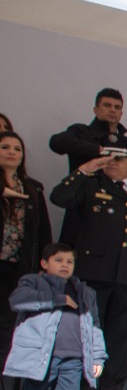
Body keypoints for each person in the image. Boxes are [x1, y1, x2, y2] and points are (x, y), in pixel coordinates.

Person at [50, 145, 127, 390]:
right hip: (94, 273)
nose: (112, 162)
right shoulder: (90, 185)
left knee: (120, 334)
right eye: (107, 157)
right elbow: (59, 197)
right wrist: (84, 170)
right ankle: (87, 388)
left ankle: (111, 388)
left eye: (119, 158)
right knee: (89, 332)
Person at [4, 243, 106, 390]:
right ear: (44, 263)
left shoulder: (85, 292)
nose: (64, 265)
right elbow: (18, 300)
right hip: (43, 356)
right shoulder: (33, 282)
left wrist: (97, 357)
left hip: (74, 359)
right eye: (58, 260)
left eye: (69, 262)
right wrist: (59, 299)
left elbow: (94, 326)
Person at [0, 130, 54, 363]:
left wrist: (43, 263)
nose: (12, 152)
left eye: (17, 149)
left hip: (19, 267)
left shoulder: (32, 188)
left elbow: (43, 230)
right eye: (5, 147)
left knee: (7, 323)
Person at [49, 88, 127, 184]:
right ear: (95, 110)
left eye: (117, 107)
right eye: (107, 105)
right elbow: (56, 142)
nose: (112, 110)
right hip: (85, 196)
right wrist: (96, 150)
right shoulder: (81, 132)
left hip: (120, 198)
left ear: (121, 113)